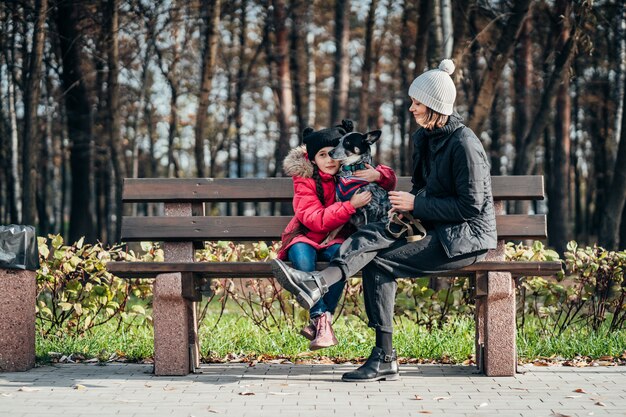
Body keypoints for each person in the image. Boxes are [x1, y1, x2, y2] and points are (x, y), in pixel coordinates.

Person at [271, 59, 497, 381]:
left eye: (417, 103)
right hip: (432, 227)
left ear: (434, 105)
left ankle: (383, 356)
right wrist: (406, 208)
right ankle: (318, 284)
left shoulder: (464, 145)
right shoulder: (424, 139)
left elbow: (471, 207)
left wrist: (417, 204)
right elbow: (422, 187)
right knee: (371, 235)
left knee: (378, 263)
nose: (411, 109)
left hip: (463, 238)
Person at [278, 120, 397, 350]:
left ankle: (319, 324)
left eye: (332, 153)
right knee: (302, 255)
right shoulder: (305, 180)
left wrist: (377, 176)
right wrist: (350, 206)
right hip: (306, 236)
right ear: (312, 159)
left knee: (341, 258)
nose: (330, 159)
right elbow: (315, 220)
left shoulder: (350, 173)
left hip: (335, 239)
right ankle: (322, 318)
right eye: (322, 155)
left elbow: (389, 179)